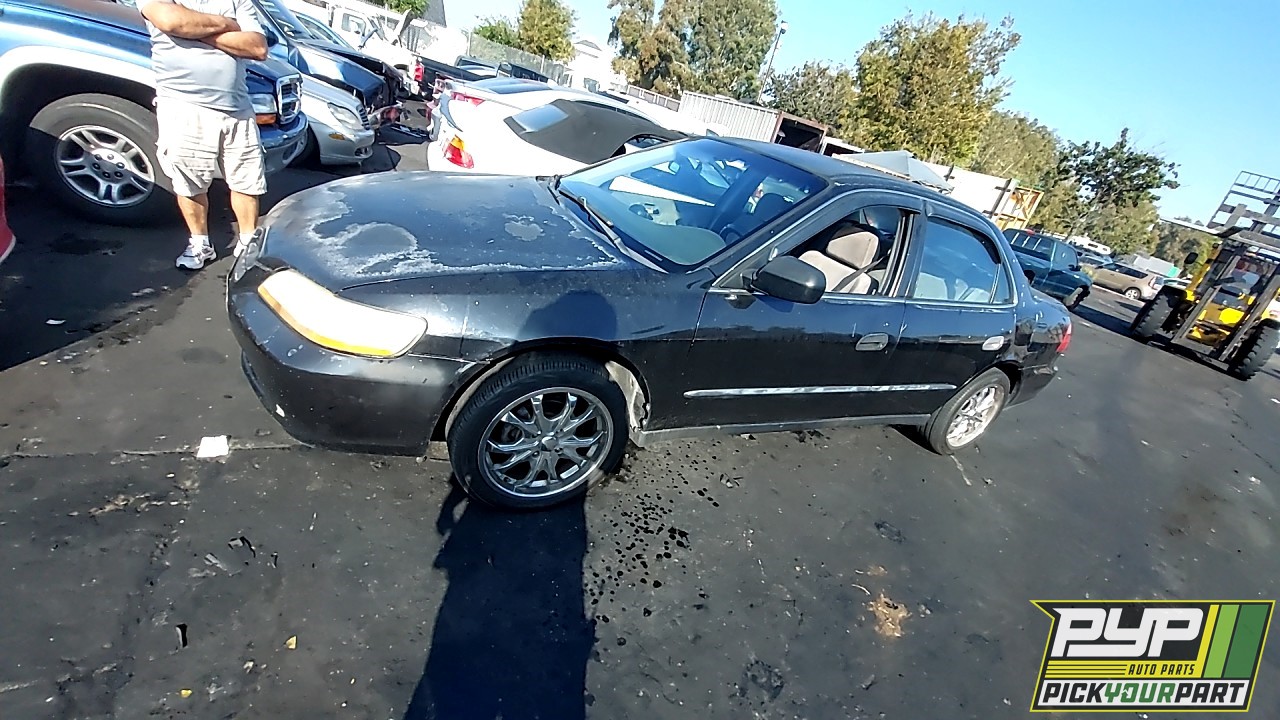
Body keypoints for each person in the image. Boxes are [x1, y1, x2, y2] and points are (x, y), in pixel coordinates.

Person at [138, 0, 270, 270]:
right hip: (184, 105)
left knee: (246, 181)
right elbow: (172, 21)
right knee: (189, 181)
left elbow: (257, 47)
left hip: (237, 107)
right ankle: (200, 244)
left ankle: (247, 243)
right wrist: (228, 26)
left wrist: (195, 28)